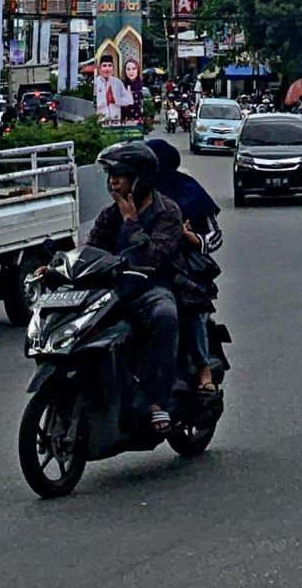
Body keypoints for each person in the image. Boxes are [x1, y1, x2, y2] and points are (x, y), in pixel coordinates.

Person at [86, 142, 183, 433]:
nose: (114, 181)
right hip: (114, 291)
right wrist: (55, 267)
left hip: (151, 288)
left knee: (165, 316)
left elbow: (155, 257)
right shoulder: (109, 214)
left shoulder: (167, 211)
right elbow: (92, 249)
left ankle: (157, 401)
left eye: (121, 174)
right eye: (111, 175)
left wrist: (131, 222)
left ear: (141, 178)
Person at [146, 139, 222, 395]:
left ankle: (203, 368)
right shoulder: (134, 195)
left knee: (189, 306)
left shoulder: (188, 191)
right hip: (142, 270)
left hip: (184, 270)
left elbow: (215, 235)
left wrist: (194, 239)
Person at [93, 54, 133, 124]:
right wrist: (106, 101)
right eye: (104, 66)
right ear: (99, 68)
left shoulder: (118, 82)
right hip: (100, 122)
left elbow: (129, 100)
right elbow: (92, 104)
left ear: (113, 68)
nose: (107, 68)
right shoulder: (95, 83)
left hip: (116, 121)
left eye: (110, 65)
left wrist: (115, 100)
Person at [121, 57, 144, 125]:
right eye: (128, 69)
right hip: (125, 123)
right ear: (125, 71)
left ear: (138, 70)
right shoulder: (121, 86)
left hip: (140, 122)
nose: (131, 72)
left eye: (134, 69)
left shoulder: (141, 85)